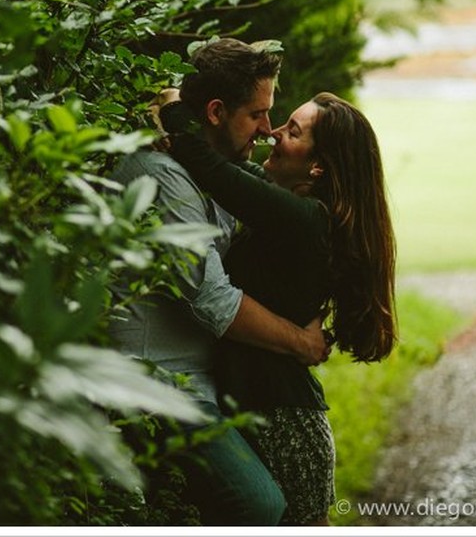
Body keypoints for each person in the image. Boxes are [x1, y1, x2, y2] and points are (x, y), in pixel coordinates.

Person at [106, 38, 329, 526]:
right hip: (154, 384)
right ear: (214, 112)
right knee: (259, 504)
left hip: (204, 385)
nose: (268, 130)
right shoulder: (162, 176)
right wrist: (301, 343)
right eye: (257, 115)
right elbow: (212, 300)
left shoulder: (215, 172)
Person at [155, 88, 398, 525]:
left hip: (283, 419)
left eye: (292, 131)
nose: (272, 133)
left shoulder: (306, 220)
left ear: (318, 165)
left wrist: (173, 107)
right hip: (268, 403)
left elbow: (217, 172)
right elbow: (235, 169)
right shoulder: (306, 215)